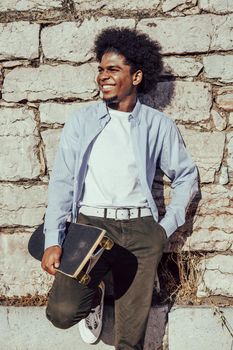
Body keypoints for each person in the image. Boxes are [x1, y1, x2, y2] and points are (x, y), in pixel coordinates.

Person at [41, 27, 198, 350]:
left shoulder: (158, 125)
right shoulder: (81, 121)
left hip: (141, 231)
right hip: (91, 227)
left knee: (130, 338)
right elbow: (62, 183)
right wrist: (53, 239)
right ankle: (94, 293)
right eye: (100, 69)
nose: (103, 76)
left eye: (113, 69)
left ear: (136, 76)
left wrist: (164, 229)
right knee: (61, 312)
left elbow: (185, 176)